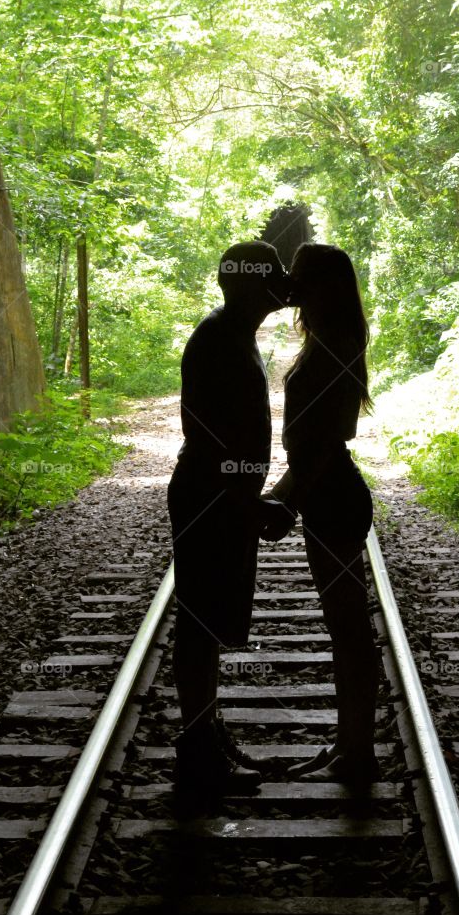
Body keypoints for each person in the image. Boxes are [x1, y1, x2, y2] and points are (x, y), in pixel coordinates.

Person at [167, 240, 290, 794]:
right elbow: (207, 435)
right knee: (199, 624)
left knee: (208, 623)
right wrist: (242, 499)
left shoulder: (230, 332)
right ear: (244, 284)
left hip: (218, 499)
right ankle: (197, 751)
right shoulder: (218, 338)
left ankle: (204, 740)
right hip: (210, 500)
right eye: (270, 279)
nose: (279, 288)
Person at [261, 243, 379, 786]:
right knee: (345, 626)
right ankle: (351, 744)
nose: (292, 283)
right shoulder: (328, 340)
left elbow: (326, 443)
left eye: (301, 276)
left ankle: (356, 749)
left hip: (331, 496)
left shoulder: (335, 344)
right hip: (326, 494)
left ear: (325, 286)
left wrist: (285, 496)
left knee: (349, 629)